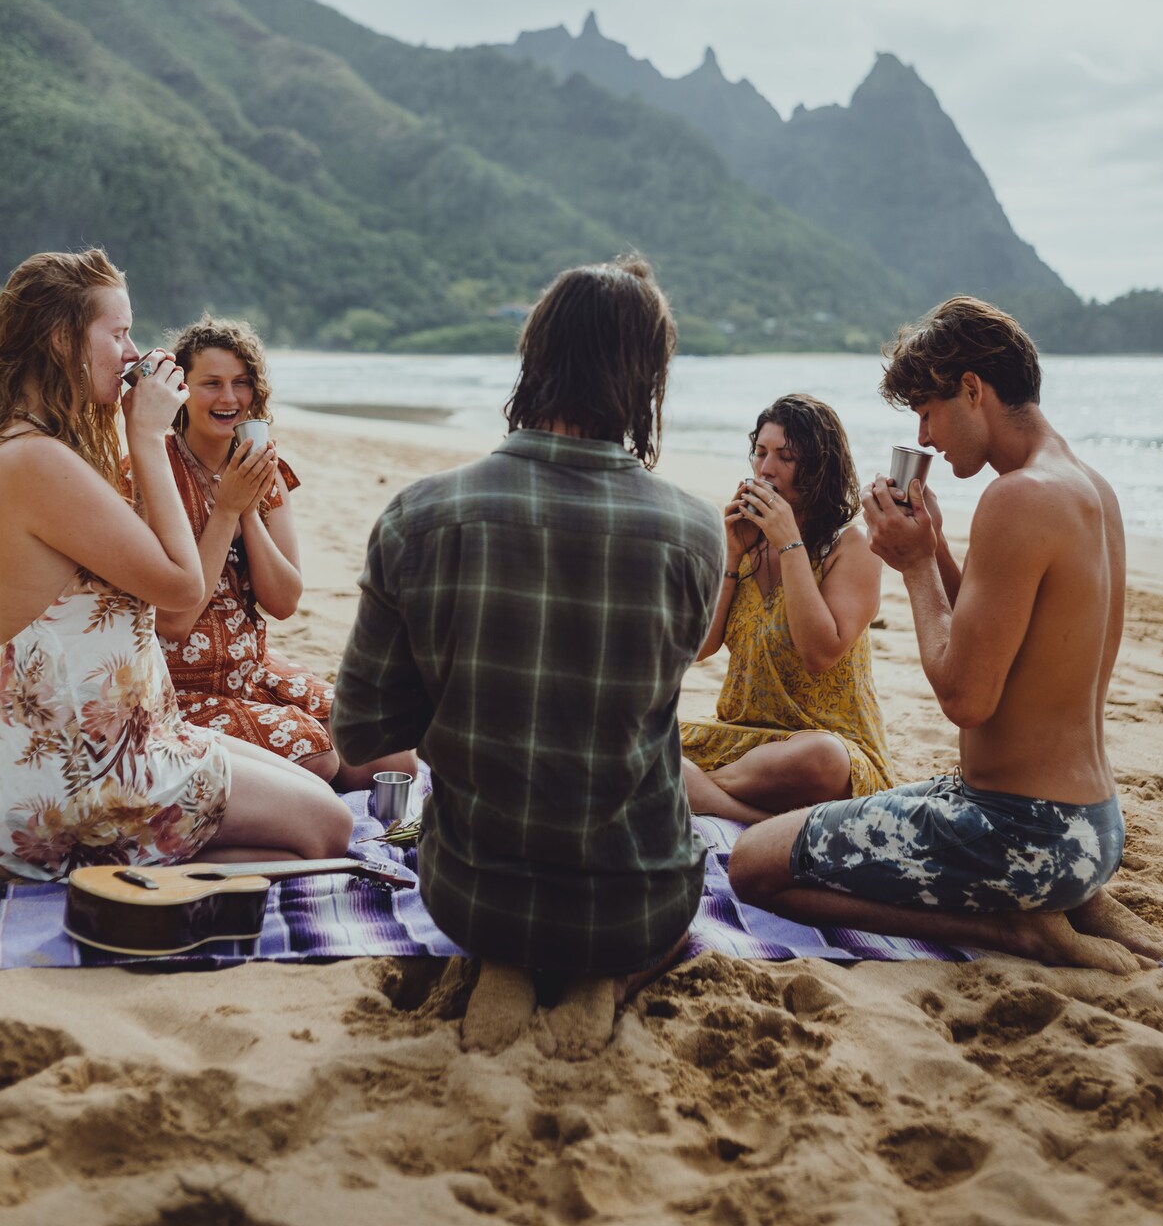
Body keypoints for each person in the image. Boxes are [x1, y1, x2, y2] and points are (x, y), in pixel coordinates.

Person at [333, 256, 724, 1052]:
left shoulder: (421, 516)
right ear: (645, 379)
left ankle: (503, 961)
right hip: (637, 893)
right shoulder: (694, 533)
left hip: (476, 891)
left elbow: (360, 733)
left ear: (534, 358)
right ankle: (600, 977)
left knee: (499, 857)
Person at [728, 296, 1163, 974]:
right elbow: (1006, 641)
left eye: (927, 413)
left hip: (1017, 830)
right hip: (1091, 825)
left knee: (755, 862)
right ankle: (1074, 901)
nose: (926, 438)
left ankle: (1018, 932)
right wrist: (930, 547)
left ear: (973, 389)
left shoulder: (1016, 499)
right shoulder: (1089, 489)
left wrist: (911, 567)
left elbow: (966, 697)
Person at [0, 250, 351, 881]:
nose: (134, 354)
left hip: (130, 735)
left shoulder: (40, 449)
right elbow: (183, 587)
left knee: (323, 790)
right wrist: (148, 438)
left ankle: (129, 863)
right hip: (85, 769)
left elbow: (281, 597)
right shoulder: (36, 464)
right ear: (61, 340)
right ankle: (104, 873)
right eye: (119, 333)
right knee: (330, 830)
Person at [152, 316, 414, 791]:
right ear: (182, 391)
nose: (229, 398)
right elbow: (173, 619)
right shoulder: (153, 471)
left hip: (252, 670)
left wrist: (247, 509)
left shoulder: (265, 470)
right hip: (178, 686)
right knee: (318, 757)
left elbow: (284, 601)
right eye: (211, 383)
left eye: (241, 383)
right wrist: (226, 509)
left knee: (390, 754)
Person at [680, 394, 893, 822]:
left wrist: (789, 541)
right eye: (760, 452)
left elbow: (820, 652)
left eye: (786, 456)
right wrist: (732, 554)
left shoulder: (851, 546)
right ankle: (751, 817)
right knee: (638, 735)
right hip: (738, 740)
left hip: (821, 745)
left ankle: (690, 793)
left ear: (818, 469)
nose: (765, 469)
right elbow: (699, 647)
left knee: (821, 760)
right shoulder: (746, 544)